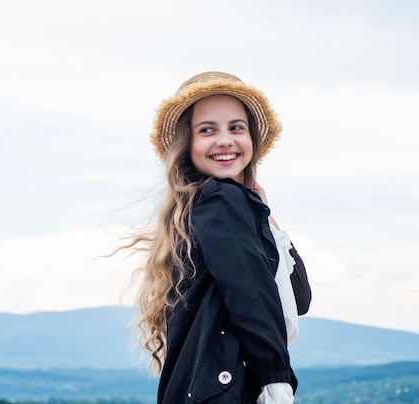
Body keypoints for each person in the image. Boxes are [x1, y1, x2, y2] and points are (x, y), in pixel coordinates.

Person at [132, 71, 311, 403]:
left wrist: (267, 220)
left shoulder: (217, 209)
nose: (225, 139)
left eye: (236, 127)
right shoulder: (220, 201)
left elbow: (298, 299)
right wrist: (276, 382)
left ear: (251, 139)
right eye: (207, 130)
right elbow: (251, 298)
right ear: (187, 144)